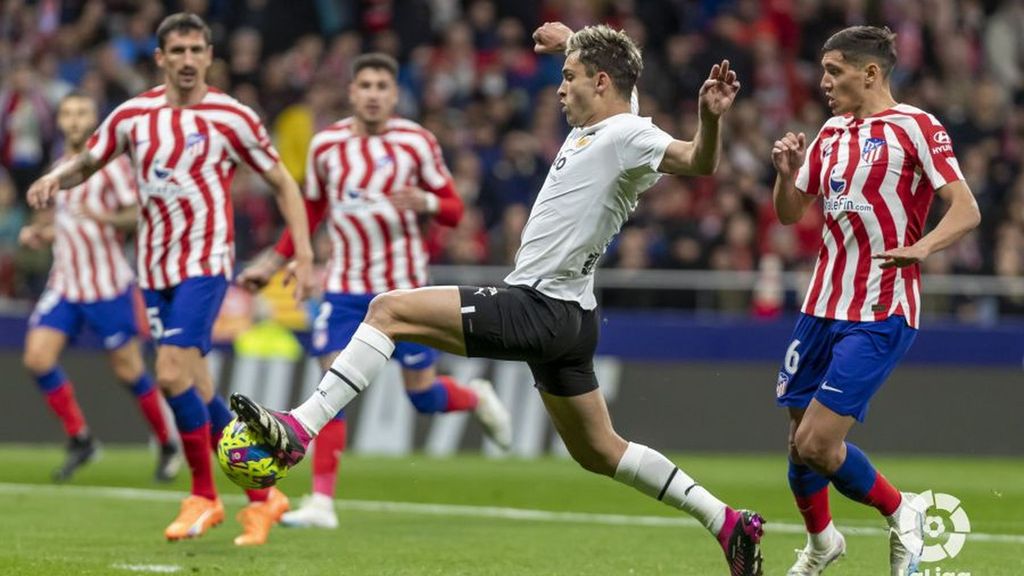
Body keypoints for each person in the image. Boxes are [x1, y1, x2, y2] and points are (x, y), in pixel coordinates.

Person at [232, 24, 766, 575]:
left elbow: (698, 161)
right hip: (574, 318)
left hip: (537, 306)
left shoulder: (627, 134)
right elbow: (622, 65)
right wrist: (574, 41)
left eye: (568, 78)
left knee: (387, 310)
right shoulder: (607, 115)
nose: (559, 89)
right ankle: (726, 521)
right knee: (600, 451)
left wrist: (710, 117)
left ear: (599, 83)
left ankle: (299, 428)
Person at [27, 13, 315, 545]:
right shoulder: (134, 114)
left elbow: (283, 183)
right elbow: (90, 160)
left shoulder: (232, 116)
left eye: (195, 50)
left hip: (205, 264)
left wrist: (300, 253)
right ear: (160, 58)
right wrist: (53, 178)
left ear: (209, 56)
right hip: (153, 268)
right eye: (176, 51)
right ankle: (262, 495)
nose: (186, 60)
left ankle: (204, 497)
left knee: (169, 373)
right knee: (196, 385)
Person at [237, 52, 513, 529]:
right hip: (344, 289)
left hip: (404, 292)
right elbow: (312, 210)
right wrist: (276, 259)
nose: (372, 94)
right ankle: (322, 502)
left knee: (422, 397)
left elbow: (451, 210)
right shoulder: (327, 146)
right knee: (331, 385)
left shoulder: (416, 143)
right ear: (352, 92)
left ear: (393, 94)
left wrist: (425, 199)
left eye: (382, 86)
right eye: (364, 84)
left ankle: (475, 397)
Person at [769, 26, 981, 576]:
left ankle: (903, 513)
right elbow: (792, 212)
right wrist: (788, 176)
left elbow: (965, 208)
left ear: (870, 73)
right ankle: (822, 544)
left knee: (817, 444)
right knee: (799, 446)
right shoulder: (832, 132)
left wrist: (923, 247)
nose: (824, 82)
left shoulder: (916, 127)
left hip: (881, 307)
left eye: (834, 71)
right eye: (822, 71)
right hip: (820, 304)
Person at [19, 92, 180, 484]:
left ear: (95, 119)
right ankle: (81, 438)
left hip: (107, 286)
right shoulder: (59, 168)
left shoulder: (110, 166)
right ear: (59, 121)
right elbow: (71, 224)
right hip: (65, 284)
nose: (75, 120)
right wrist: (42, 235)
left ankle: (167, 442)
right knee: (37, 358)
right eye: (68, 113)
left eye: (82, 112)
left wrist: (102, 215)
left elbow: (137, 215)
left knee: (128, 370)